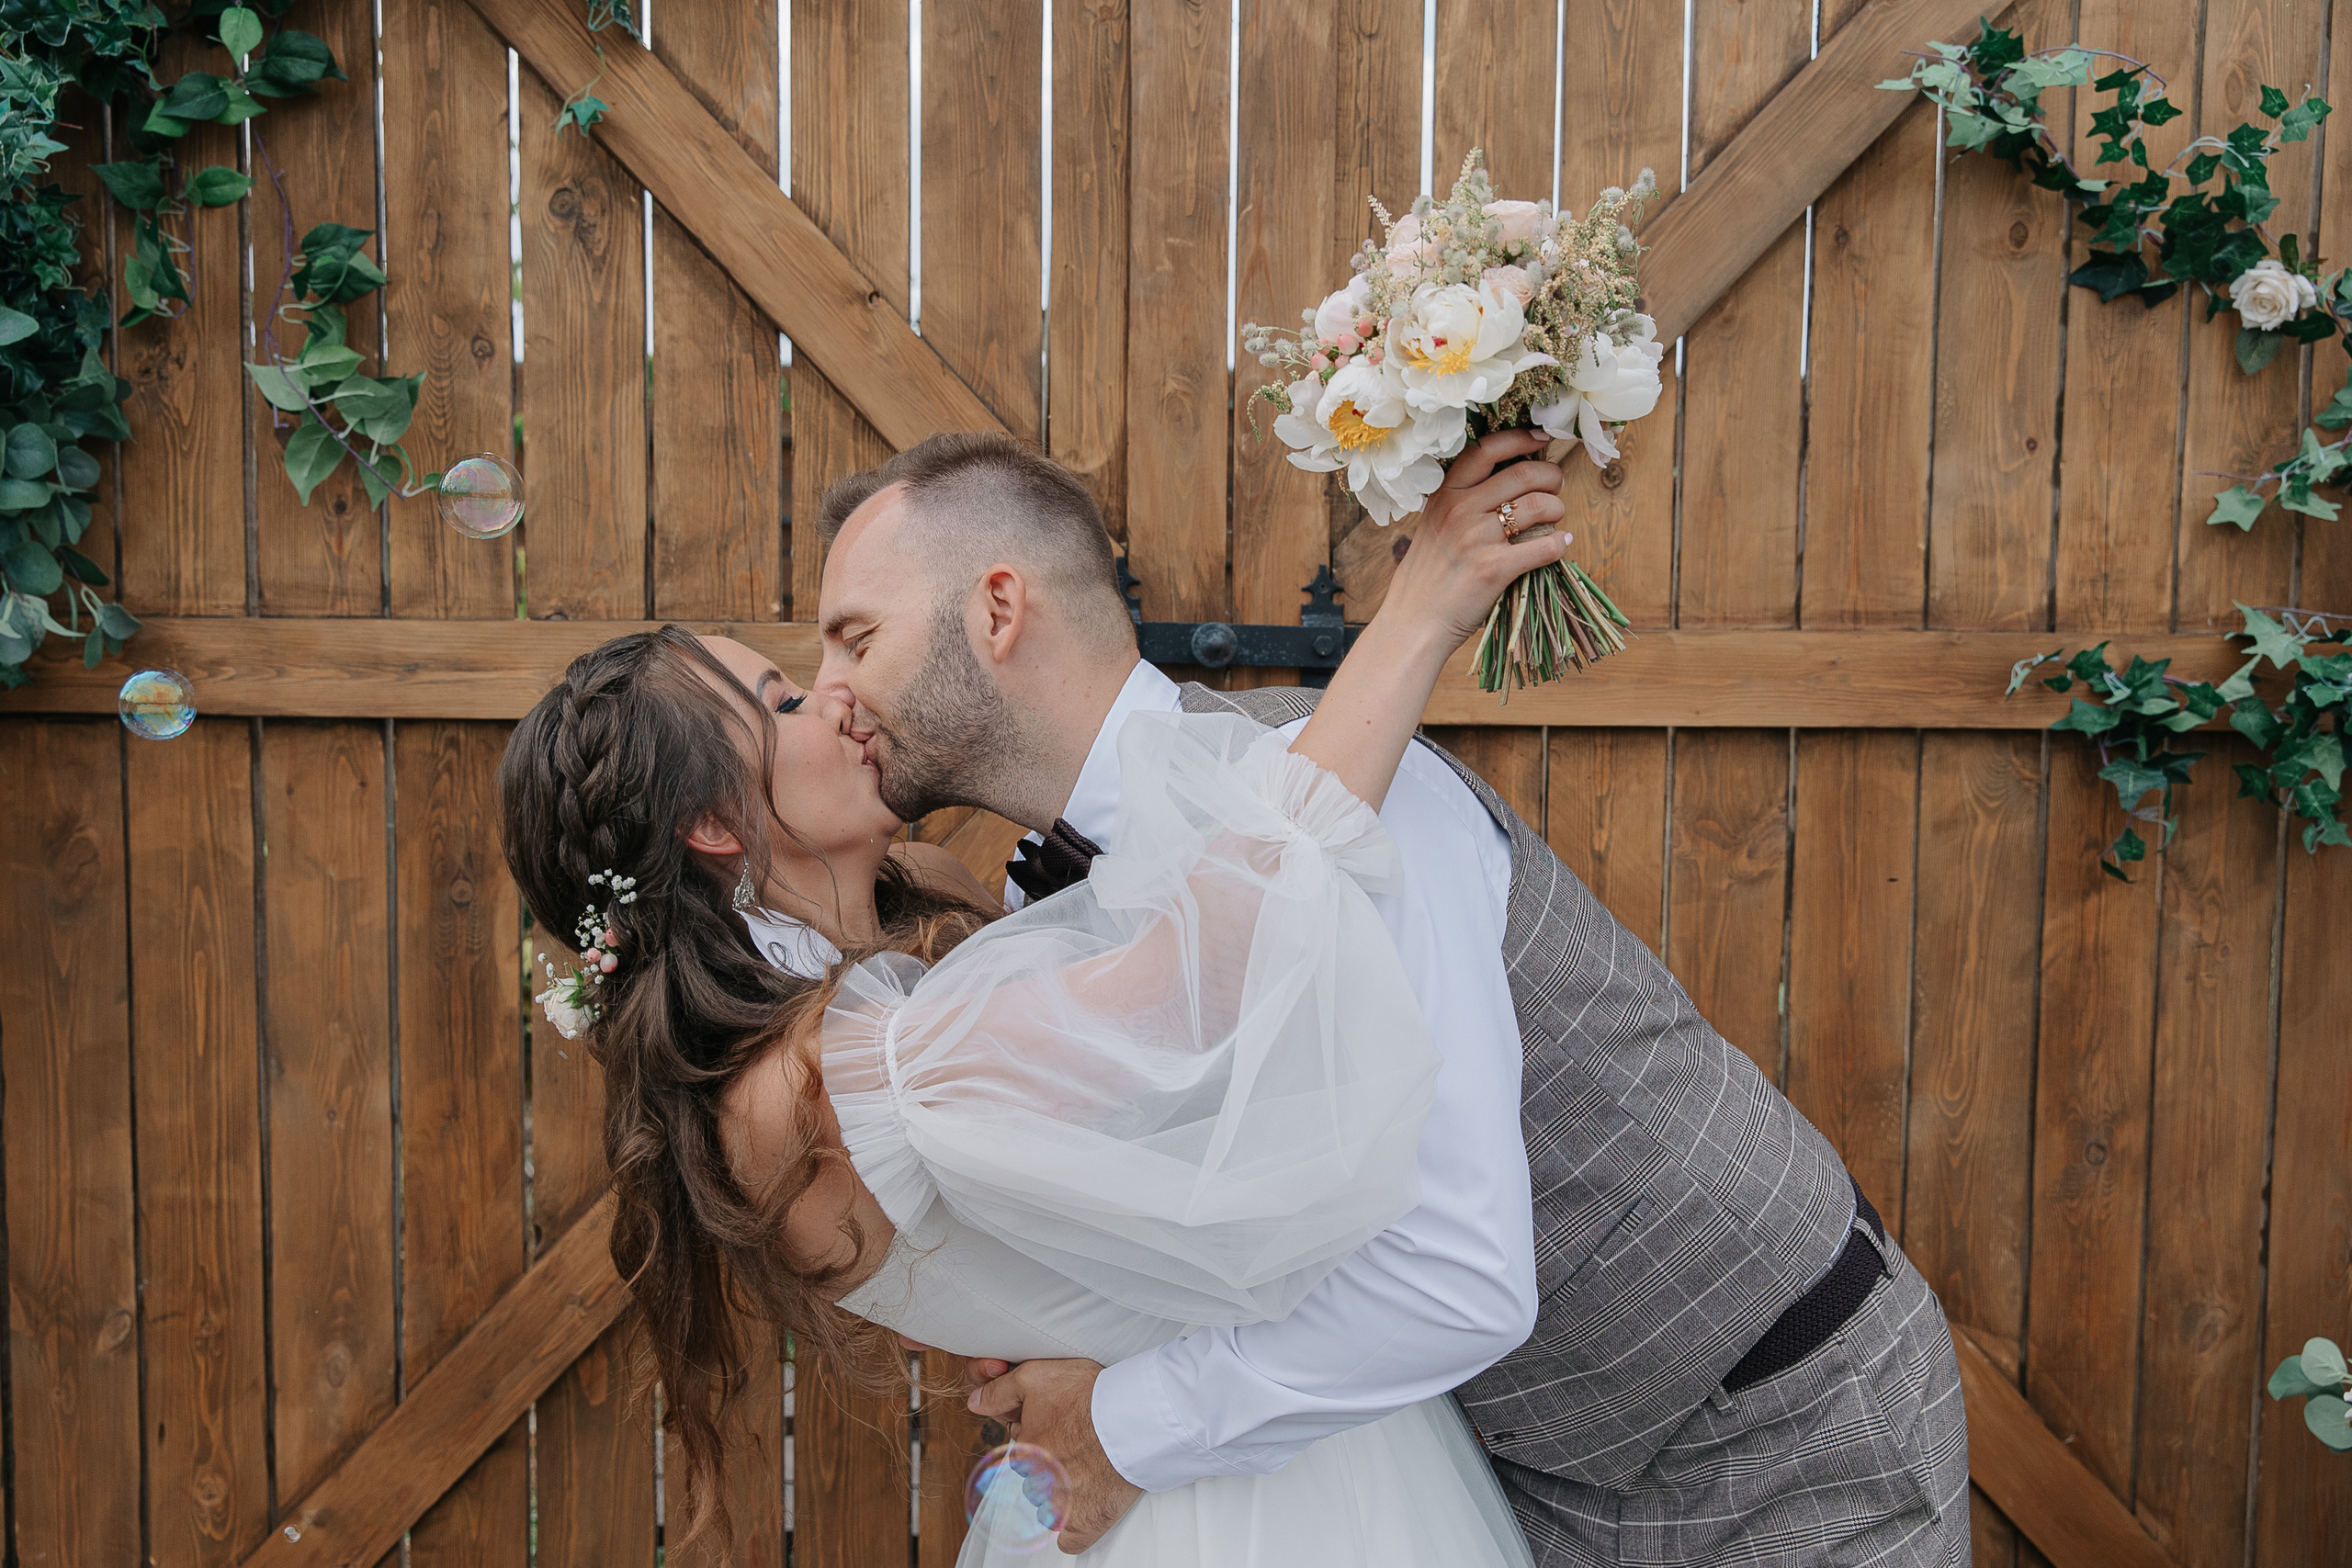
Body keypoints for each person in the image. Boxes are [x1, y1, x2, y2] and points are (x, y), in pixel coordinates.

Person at [808, 430, 1971, 1567]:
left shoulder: (1350, 786)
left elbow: (1455, 1274)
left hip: (1775, 1431)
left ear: (997, 610)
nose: (828, 692)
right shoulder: (1045, 904)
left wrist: (1126, 1427)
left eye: (854, 637)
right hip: (1507, 1473)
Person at [495, 449, 1567, 1565]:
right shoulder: (828, 1080)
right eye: (782, 700)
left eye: (834, 656)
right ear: (716, 825)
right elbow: (1205, 983)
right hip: (1241, 1508)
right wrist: (1421, 610)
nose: (833, 697)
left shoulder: (903, 991)